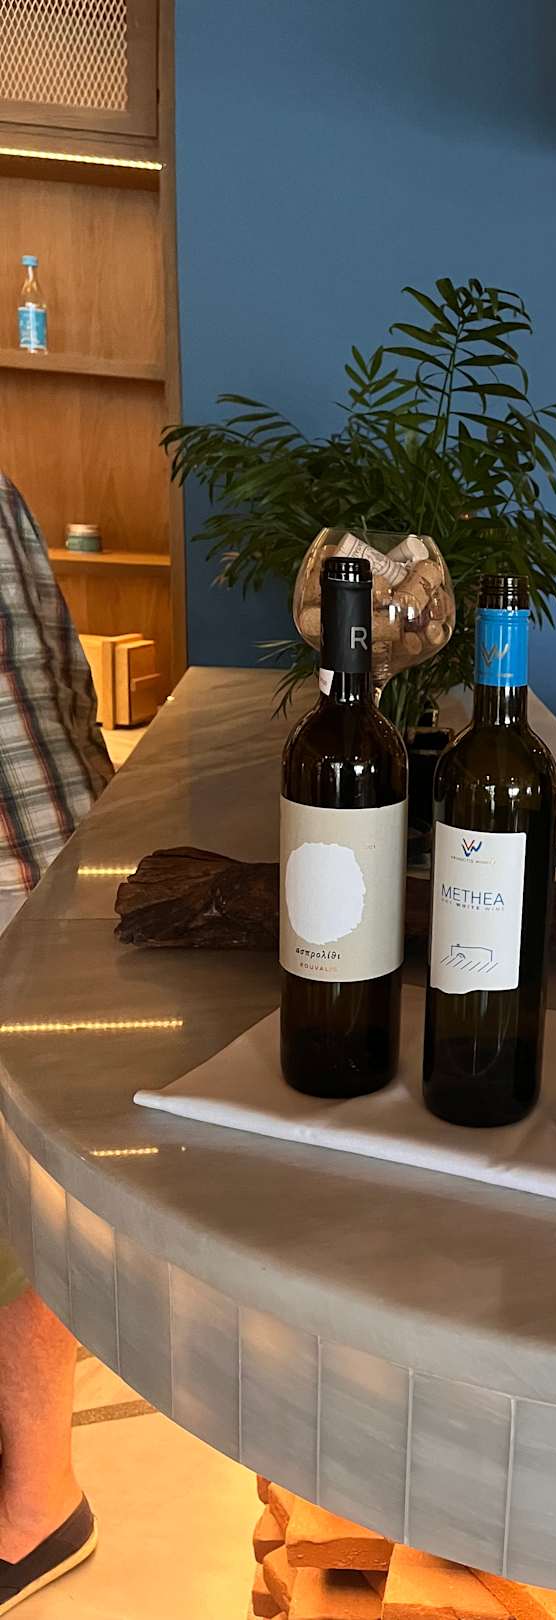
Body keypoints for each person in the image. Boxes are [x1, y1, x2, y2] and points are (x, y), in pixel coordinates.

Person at [0, 470, 113, 1610]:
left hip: (15, 882)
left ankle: (38, 1499)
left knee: (15, 1208)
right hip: (38, 864)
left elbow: (30, 698)